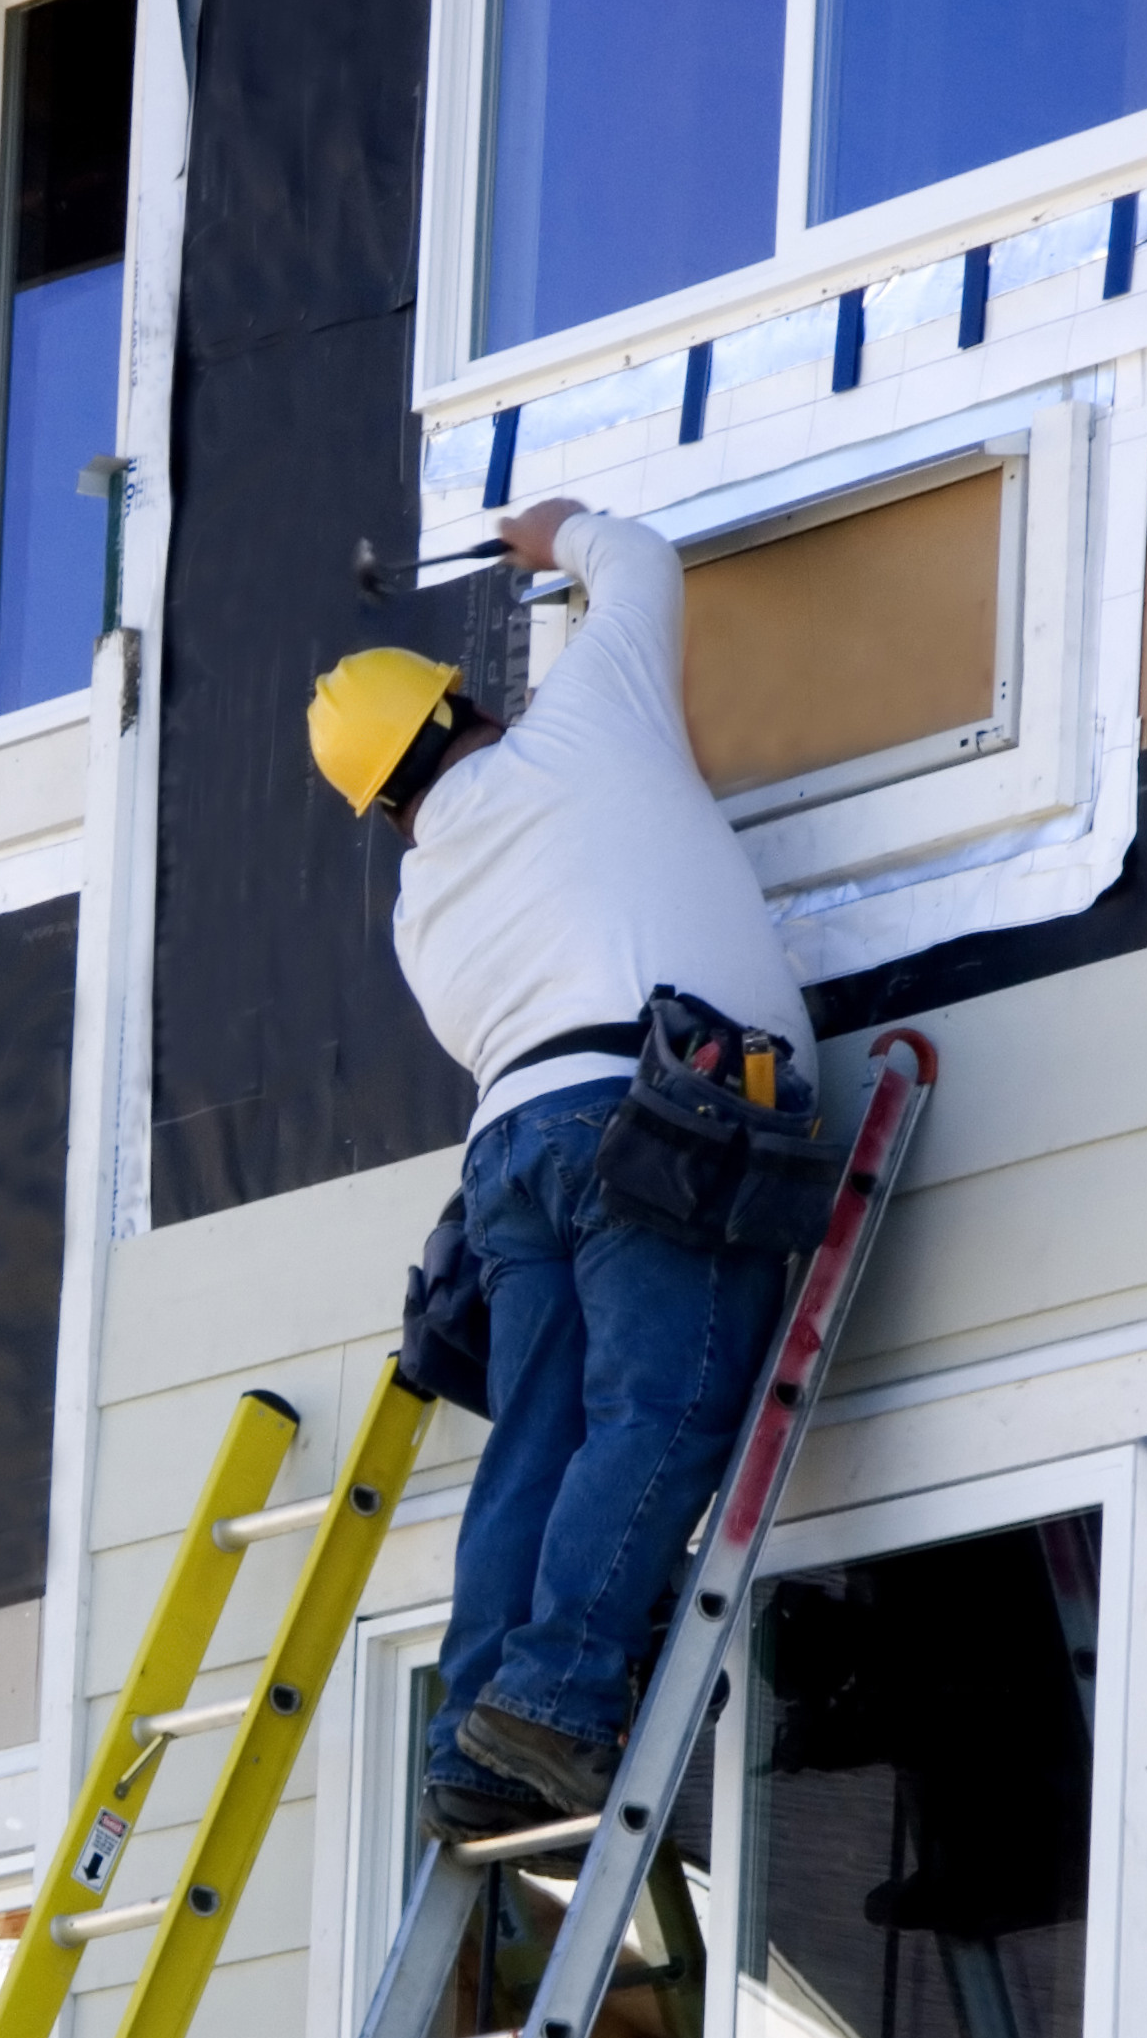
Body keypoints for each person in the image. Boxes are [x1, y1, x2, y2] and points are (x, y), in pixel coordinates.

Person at [306, 497, 816, 1840]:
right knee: (665, 1405)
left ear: (383, 800)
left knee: (538, 1439)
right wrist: (555, 534)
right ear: (467, 705)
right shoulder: (579, 738)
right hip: (642, 1122)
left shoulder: (423, 909)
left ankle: (477, 1734)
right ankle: (555, 1699)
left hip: (510, 1164)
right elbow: (640, 561)